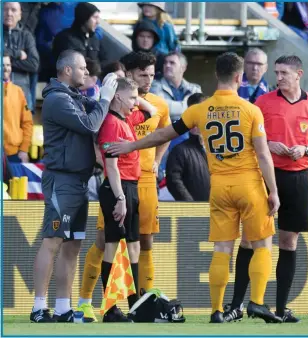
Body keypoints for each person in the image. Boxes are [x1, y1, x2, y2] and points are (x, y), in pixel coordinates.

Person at [107, 52, 283, 324]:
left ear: (216, 76)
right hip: (249, 183)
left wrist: (131, 145)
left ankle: (216, 310)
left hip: (220, 187)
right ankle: (257, 302)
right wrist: (273, 190)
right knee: (262, 244)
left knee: (222, 248)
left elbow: (165, 133)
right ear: (239, 77)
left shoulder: (201, 109)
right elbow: (263, 154)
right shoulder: (251, 110)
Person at [226, 55, 308, 323]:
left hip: (297, 177)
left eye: (284, 72)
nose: (279, 76)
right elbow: (245, 136)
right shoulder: (263, 101)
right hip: (264, 177)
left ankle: (282, 308)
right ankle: (237, 304)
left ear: (299, 73)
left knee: (288, 241)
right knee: (249, 239)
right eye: (276, 72)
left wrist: (306, 149)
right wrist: (267, 144)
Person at [77, 51, 170, 323]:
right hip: (118, 185)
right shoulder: (112, 114)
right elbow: (104, 150)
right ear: (128, 76)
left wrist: (159, 160)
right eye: (143, 75)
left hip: (141, 182)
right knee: (105, 241)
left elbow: (164, 130)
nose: (148, 81)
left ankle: (137, 301)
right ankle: (90, 302)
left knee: (140, 242)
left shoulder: (145, 108)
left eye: (152, 75)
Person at [30, 49, 118, 323]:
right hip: (62, 179)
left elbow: (100, 113)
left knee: (73, 246)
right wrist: (103, 98)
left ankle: (63, 308)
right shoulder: (57, 100)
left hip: (78, 180)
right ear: (67, 70)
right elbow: (92, 125)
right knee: (52, 241)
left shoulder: (72, 97)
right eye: (82, 68)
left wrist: (110, 96)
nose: (86, 72)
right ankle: (38, 308)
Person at [97, 77, 145, 322]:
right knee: (113, 245)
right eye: (132, 98)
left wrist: (131, 94)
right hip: (118, 188)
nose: (137, 103)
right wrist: (120, 198)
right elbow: (112, 167)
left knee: (134, 245)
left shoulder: (125, 119)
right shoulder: (111, 123)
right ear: (117, 97)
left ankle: (134, 304)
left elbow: (153, 110)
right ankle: (109, 308)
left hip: (131, 186)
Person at [166, 93, 210, 202]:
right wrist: (191, 206)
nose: (195, 119)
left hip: (222, 211)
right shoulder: (179, 151)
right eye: (191, 114)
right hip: (194, 214)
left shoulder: (223, 148)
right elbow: (174, 181)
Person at [3, 2, 40, 112]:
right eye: (5, 10)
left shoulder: (26, 36)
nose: (9, 13)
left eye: (13, 10)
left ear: (20, 15)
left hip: (21, 94)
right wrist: (18, 54)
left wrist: (6, 62)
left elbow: (34, 64)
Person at [3, 52, 33, 163]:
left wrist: (24, 150)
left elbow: (27, 123)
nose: (6, 69)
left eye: (8, 65)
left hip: (14, 154)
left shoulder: (18, 91)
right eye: (2, 65)